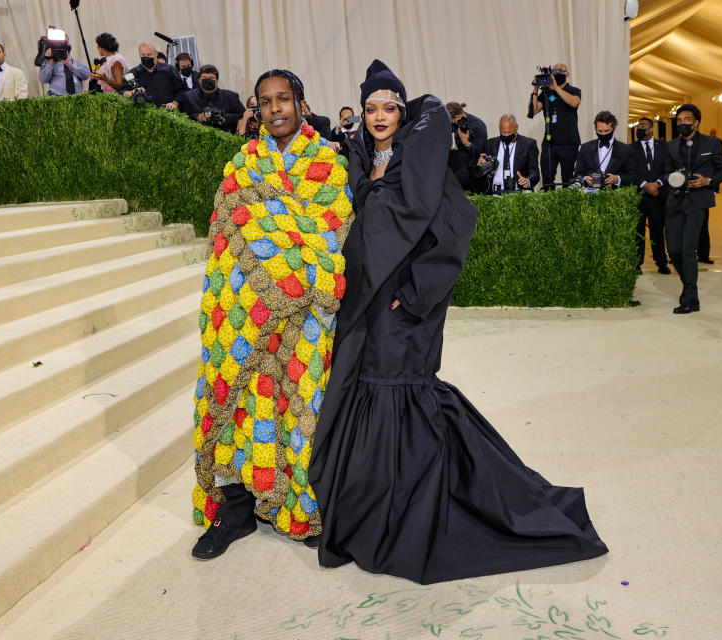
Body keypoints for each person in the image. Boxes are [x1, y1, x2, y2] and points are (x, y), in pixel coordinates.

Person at [309, 59, 608, 585]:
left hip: (404, 307)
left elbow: (453, 231)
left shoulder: (419, 164)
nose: (379, 116)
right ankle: (366, 507)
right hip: (361, 305)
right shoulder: (353, 162)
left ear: (403, 114)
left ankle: (412, 511)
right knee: (364, 389)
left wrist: (415, 297)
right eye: (371, 108)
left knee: (403, 392)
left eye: (389, 108)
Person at [190, 69, 353, 559]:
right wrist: (249, 298)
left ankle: (302, 507)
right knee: (240, 405)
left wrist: (286, 268)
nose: (276, 108)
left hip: (302, 314)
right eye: (266, 101)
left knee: (302, 408)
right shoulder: (242, 164)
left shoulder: (327, 163)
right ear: (256, 109)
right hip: (244, 310)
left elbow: (329, 233)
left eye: (284, 99)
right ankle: (236, 510)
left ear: (301, 103)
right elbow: (226, 236)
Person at [660, 104, 722, 314]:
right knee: (673, 250)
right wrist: (673, 178)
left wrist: (708, 181)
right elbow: (665, 173)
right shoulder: (670, 146)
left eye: (687, 119)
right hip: (675, 201)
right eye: (679, 120)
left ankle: (690, 297)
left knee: (688, 249)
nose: (683, 123)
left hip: (698, 203)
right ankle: (688, 286)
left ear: (697, 122)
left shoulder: (713, 143)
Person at [530, 62, 581, 190]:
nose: (556, 74)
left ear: (567, 74)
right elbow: (533, 111)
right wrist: (535, 90)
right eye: (554, 72)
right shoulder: (546, 93)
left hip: (568, 142)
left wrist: (556, 88)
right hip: (549, 143)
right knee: (547, 181)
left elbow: (574, 103)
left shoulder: (573, 90)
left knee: (568, 182)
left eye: (559, 72)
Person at [632, 117, 670, 274]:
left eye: (643, 126)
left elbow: (669, 169)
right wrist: (645, 185)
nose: (639, 128)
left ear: (651, 129)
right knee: (637, 231)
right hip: (639, 195)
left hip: (658, 196)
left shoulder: (664, 147)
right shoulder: (631, 148)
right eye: (638, 126)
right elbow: (630, 171)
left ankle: (661, 262)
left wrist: (658, 183)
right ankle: (636, 264)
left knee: (657, 231)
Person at [475, 114, 539, 193]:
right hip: (493, 193)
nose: (507, 135)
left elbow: (535, 172)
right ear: (499, 129)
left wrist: (527, 180)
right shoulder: (489, 144)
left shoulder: (528, 144)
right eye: (504, 132)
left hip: (519, 193)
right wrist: (480, 165)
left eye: (510, 132)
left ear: (517, 128)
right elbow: (480, 172)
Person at [573, 110, 636, 189]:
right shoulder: (586, 148)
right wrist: (585, 179)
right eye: (600, 131)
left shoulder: (626, 149)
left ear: (614, 128)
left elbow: (633, 176)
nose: (603, 134)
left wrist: (617, 179)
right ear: (595, 129)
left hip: (615, 196)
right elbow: (577, 174)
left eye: (607, 131)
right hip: (590, 195)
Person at [180, 64, 244, 133]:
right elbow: (183, 118)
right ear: (199, 80)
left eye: (211, 78)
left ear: (217, 80)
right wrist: (199, 116)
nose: (208, 80)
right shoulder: (189, 96)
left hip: (228, 136)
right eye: (204, 78)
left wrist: (224, 118)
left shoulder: (231, 96)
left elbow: (243, 116)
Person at [124, 43, 185, 110]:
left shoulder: (170, 70)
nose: (146, 57)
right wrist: (130, 93)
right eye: (143, 55)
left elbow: (181, 90)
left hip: (169, 113)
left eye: (149, 54)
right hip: (144, 115)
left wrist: (174, 103)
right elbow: (121, 91)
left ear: (156, 53)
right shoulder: (133, 74)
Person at [446, 101, 487, 191]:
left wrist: (466, 142)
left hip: (471, 175)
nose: (452, 123)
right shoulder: (451, 124)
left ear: (457, 117)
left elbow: (481, 152)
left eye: (452, 121)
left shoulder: (477, 125)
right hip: (453, 170)